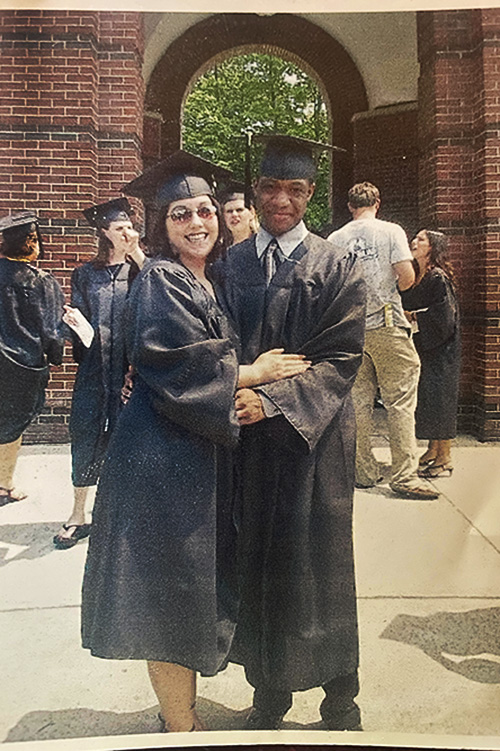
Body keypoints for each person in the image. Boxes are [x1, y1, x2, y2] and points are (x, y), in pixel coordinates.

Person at [81, 151, 311, 734]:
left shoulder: (206, 277)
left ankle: (177, 717)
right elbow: (172, 362)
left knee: (185, 594)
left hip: (189, 455)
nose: (197, 223)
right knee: (168, 599)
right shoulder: (161, 276)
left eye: (205, 210)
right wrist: (255, 372)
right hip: (160, 464)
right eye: (180, 214)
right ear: (162, 224)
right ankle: (180, 728)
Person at [212, 135, 367, 731]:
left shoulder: (336, 264)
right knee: (262, 563)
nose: (283, 200)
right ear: (256, 192)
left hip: (314, 441)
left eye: (296, 190)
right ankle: (269, 695)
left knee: (321, 564)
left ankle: (341, 699)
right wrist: (236, 388)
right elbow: (216, 341)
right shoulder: (232, 264)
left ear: (310, 194)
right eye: (272, 188)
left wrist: (271, 400)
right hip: (248, 445)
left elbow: (339, 358)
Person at [328, 182, 439, 501]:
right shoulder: (391, 231)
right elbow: (404, 278)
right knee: (401, 400)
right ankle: (405, 475)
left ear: (350, 206)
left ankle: (362, 471)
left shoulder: (336, 239)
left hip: (351, 329)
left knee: (358, 402)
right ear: (378, 202)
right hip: (387, 323)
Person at [53, 198, 145, 549]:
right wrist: (80, 329)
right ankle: (79, 514)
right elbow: (76, 322)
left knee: (129, 440)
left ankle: (124, 517)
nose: (127, 233)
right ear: (104, 231)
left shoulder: (140, 271)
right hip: (93, 372)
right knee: (85, 434)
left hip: (129, 373)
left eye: (130, 227)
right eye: (119, 228)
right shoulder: (85, 274)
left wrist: (136, 253)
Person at [0, 211, 64, 505]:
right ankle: (4, 485)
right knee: (11, 426)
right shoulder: (42, 282)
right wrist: (55, 355)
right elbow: (51, 330)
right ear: (33, 242)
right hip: (23, 368)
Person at [401, 229, 460, 477]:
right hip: (427, 347)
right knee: (429, 399)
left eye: (421, 239)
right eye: (415, 238)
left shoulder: (438, 277)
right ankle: (433, 449)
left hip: (442, 350)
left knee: (440, 400)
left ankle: (444, 457)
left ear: (433, 247)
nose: (415, 241)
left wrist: (413, 316)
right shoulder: (422, 276)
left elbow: (444, 317)